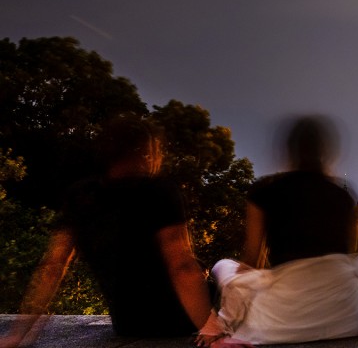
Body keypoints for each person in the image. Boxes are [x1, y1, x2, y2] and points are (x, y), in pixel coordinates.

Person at [0, 114, 233, 348]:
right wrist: (211, 327)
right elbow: (180, 265)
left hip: (129, 324)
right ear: (147, 153)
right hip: (181, 320)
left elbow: (51, 267)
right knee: (226, 268)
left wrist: (18, 334)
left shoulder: (80, 197)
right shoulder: (158, 191)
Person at [211, 115, 358, 345]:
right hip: (345, 318)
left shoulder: (264, 192)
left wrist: (264, 280)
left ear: (289, 152)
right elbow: (347, 259)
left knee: (222, 267)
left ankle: (221, 324)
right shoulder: (343, 196)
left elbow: (252, 261)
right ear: (326, 152)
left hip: (279, 323)